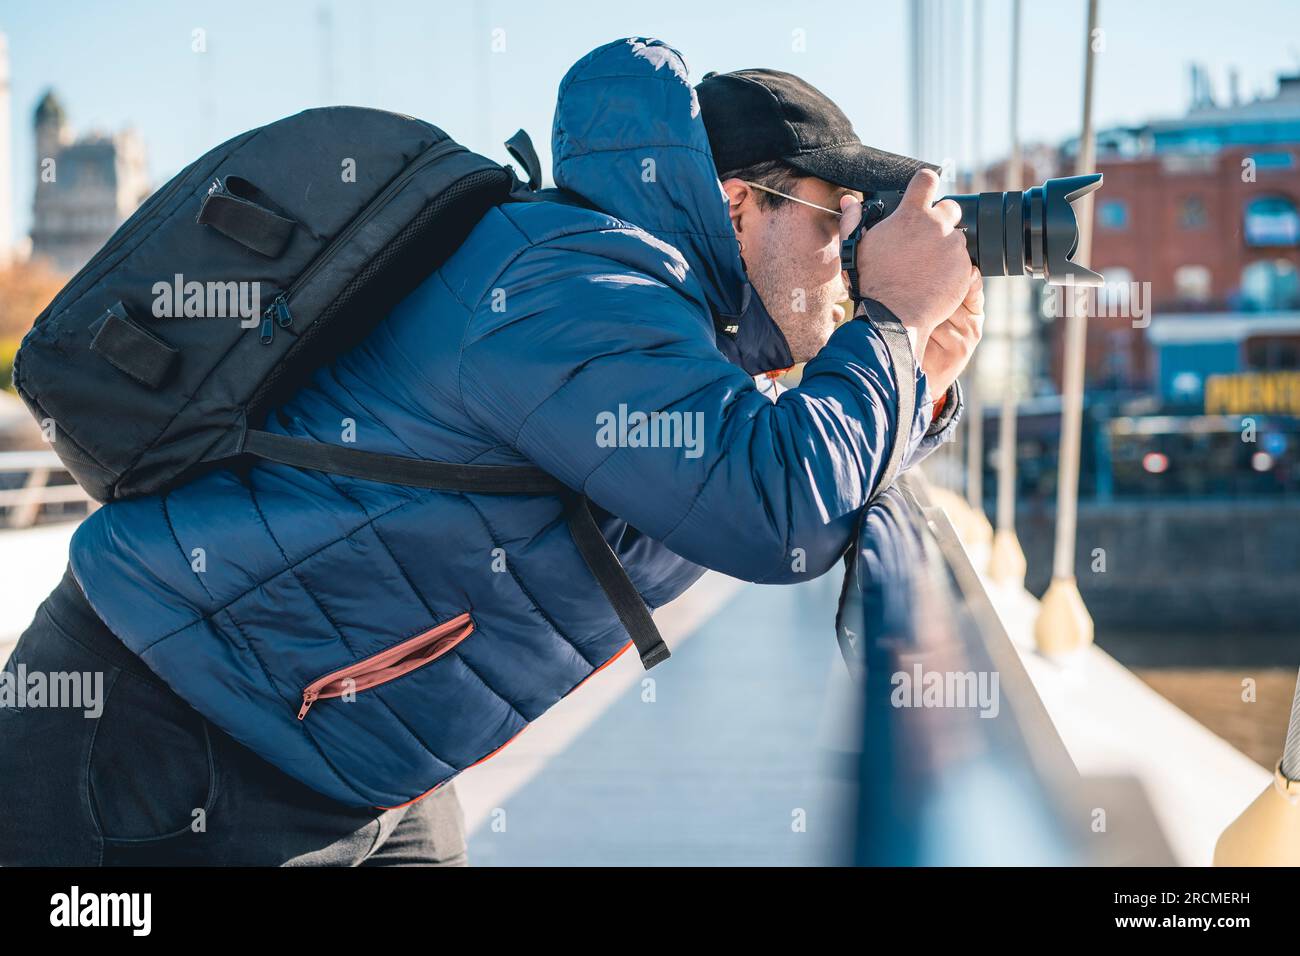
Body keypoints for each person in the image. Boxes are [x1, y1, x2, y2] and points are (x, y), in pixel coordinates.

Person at [0, 36, 980, 866]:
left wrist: (917, 375)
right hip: (162, 735)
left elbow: (747, 482)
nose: (848, 254)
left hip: (361, 762)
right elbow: (775, 507)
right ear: (735, 206)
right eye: (835, 217)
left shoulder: (670, 334)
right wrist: (891, 323)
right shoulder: (576, 279)